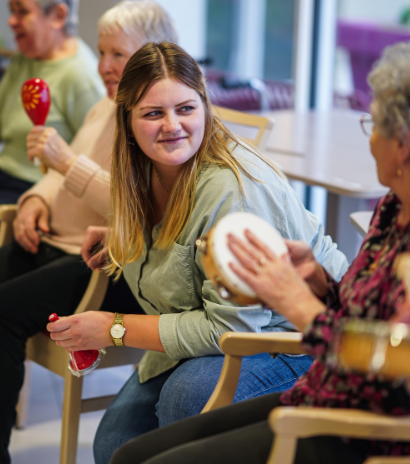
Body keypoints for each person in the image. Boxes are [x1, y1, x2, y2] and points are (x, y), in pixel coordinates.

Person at [108, 41, 410, 464]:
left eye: (374, 124)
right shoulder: (398, 204)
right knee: (128, 454)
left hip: (363, 428)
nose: (371, 138)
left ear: (406, 142)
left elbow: (389, 380)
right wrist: (321, 284)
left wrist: (297, 302)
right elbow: (366, 318)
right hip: (326, 392)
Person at [46, 41, 349, 464]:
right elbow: (182, 254)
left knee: (186, 399)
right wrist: (127, 235)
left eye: (186, 109)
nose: (172, 125)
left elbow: (233, 327)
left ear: (205, 106)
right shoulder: (144, 172)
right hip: (214, 334)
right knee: (113, 446)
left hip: (290, 341)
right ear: (128, 121)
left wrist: (114, 328)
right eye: (153, 113)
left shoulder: (232, 190)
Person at [0, 0, 178, 464]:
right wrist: (35, 199)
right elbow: (60, 170)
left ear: (153, 53)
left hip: (102, 262)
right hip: (55, 244)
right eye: (101, 52)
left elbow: (136, 209)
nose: (104, 65)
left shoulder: (155, 121)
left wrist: (65, 163)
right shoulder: (105, 106)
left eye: (117, 53)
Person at [0, 0, 106, 249]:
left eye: (22, 11)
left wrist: (42, 197)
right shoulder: (25, 61)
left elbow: (94, 159)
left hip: (35, 197)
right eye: (11, 10)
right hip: (0, 183)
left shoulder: (81, 76)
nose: (11, 21)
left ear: (58, 16)